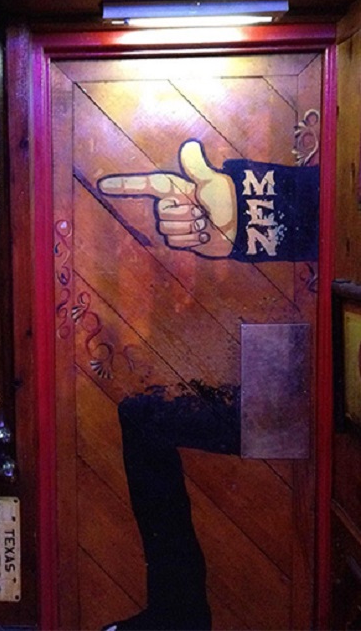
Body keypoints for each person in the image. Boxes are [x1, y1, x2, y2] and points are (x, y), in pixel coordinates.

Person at [95, 140, 319, 631]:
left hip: (325, 376)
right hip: (319, 366)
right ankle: (178, 611)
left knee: (144, 418)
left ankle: (179, 612)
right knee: (144, 418)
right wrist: (246, 209)